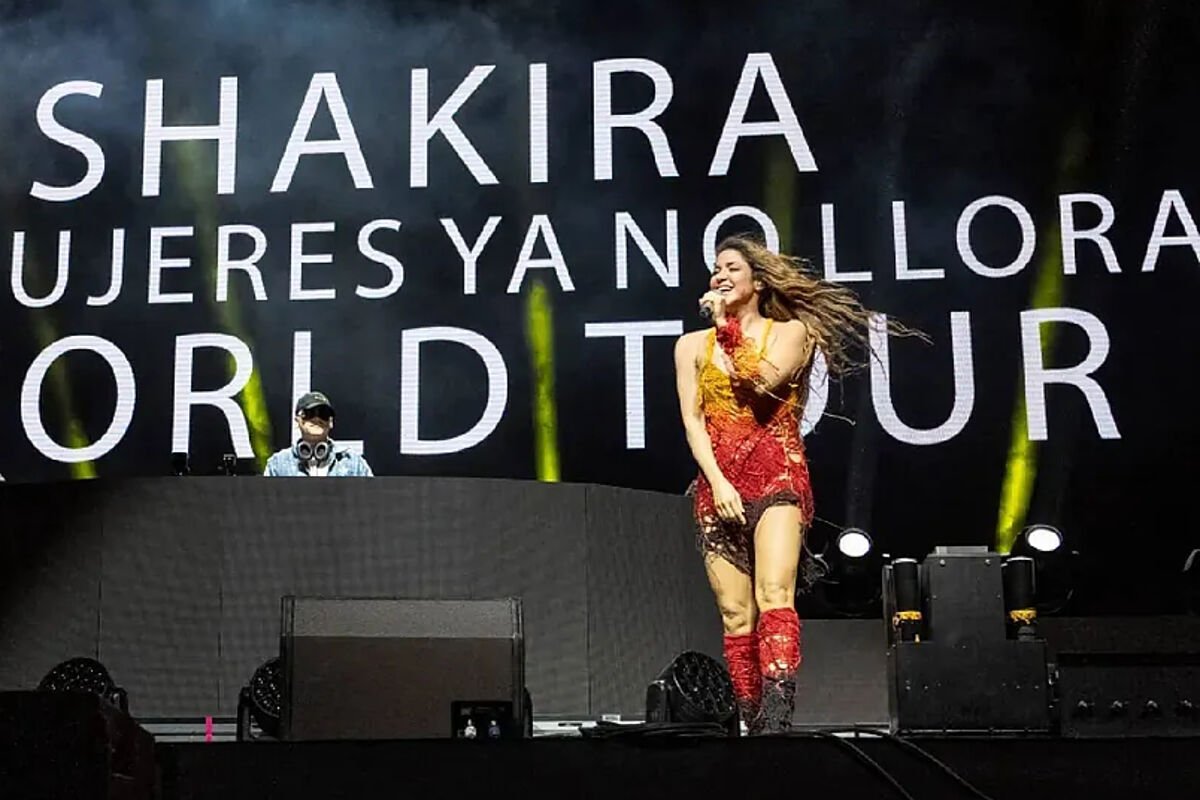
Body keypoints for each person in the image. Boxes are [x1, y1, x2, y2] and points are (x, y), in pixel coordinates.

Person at [674, 234, 904, 735]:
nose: (720, 276)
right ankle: (750, 720)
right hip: (719, 484)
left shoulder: (792, 333)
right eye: (716, 269)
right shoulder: (690, 346)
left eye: (732, 268)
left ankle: (778, 720)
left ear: (758, 282)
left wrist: (725, 325)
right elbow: (693, 422)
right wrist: (718, 483)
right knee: (735, 614)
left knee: (774, 593)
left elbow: (761, 382)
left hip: (776, 477)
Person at [264, 391, 373, 477]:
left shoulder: (354, 463)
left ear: (331, 422)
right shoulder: (278, 464)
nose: (316, 419)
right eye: (309, 414)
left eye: (323, 414)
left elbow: (372, 496)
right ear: (298, 420)